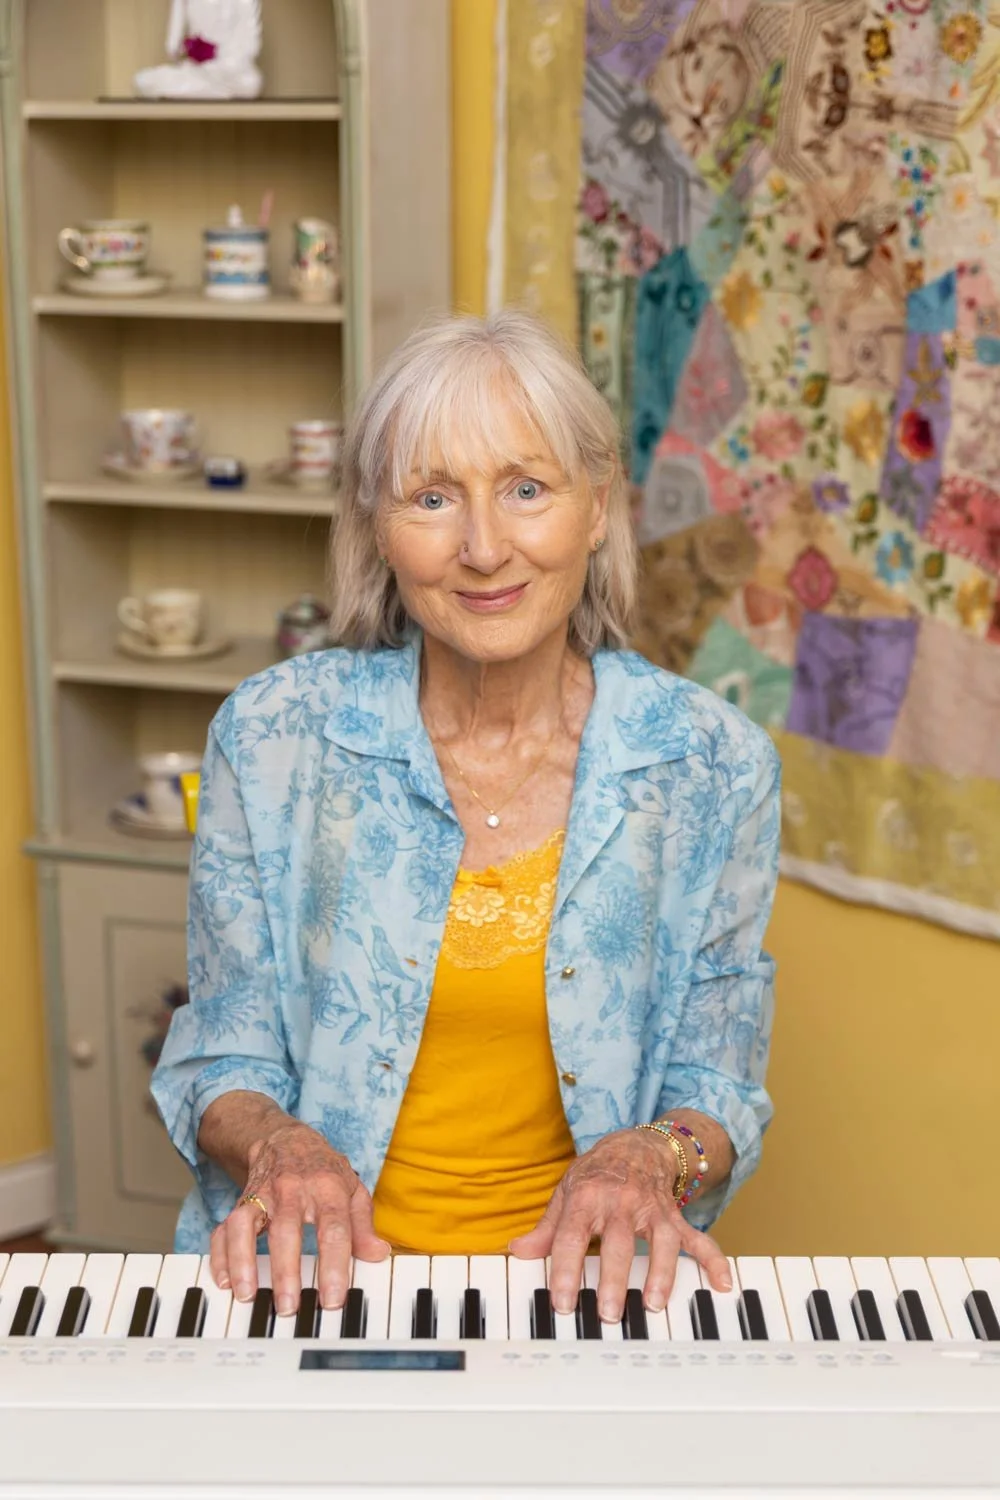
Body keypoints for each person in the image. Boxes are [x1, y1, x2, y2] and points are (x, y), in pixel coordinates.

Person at [151, 309, 780, 1327]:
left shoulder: (709, 765)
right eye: (433, 497)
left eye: (526, 489)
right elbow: (222, 1052)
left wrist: (652, 1154)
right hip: (303, 1282)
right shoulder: (272, 736)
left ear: (595, 509)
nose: (484, 547)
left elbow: (718, 1075)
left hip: (588, 1293)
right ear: (376, 528)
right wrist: (278, 1143)